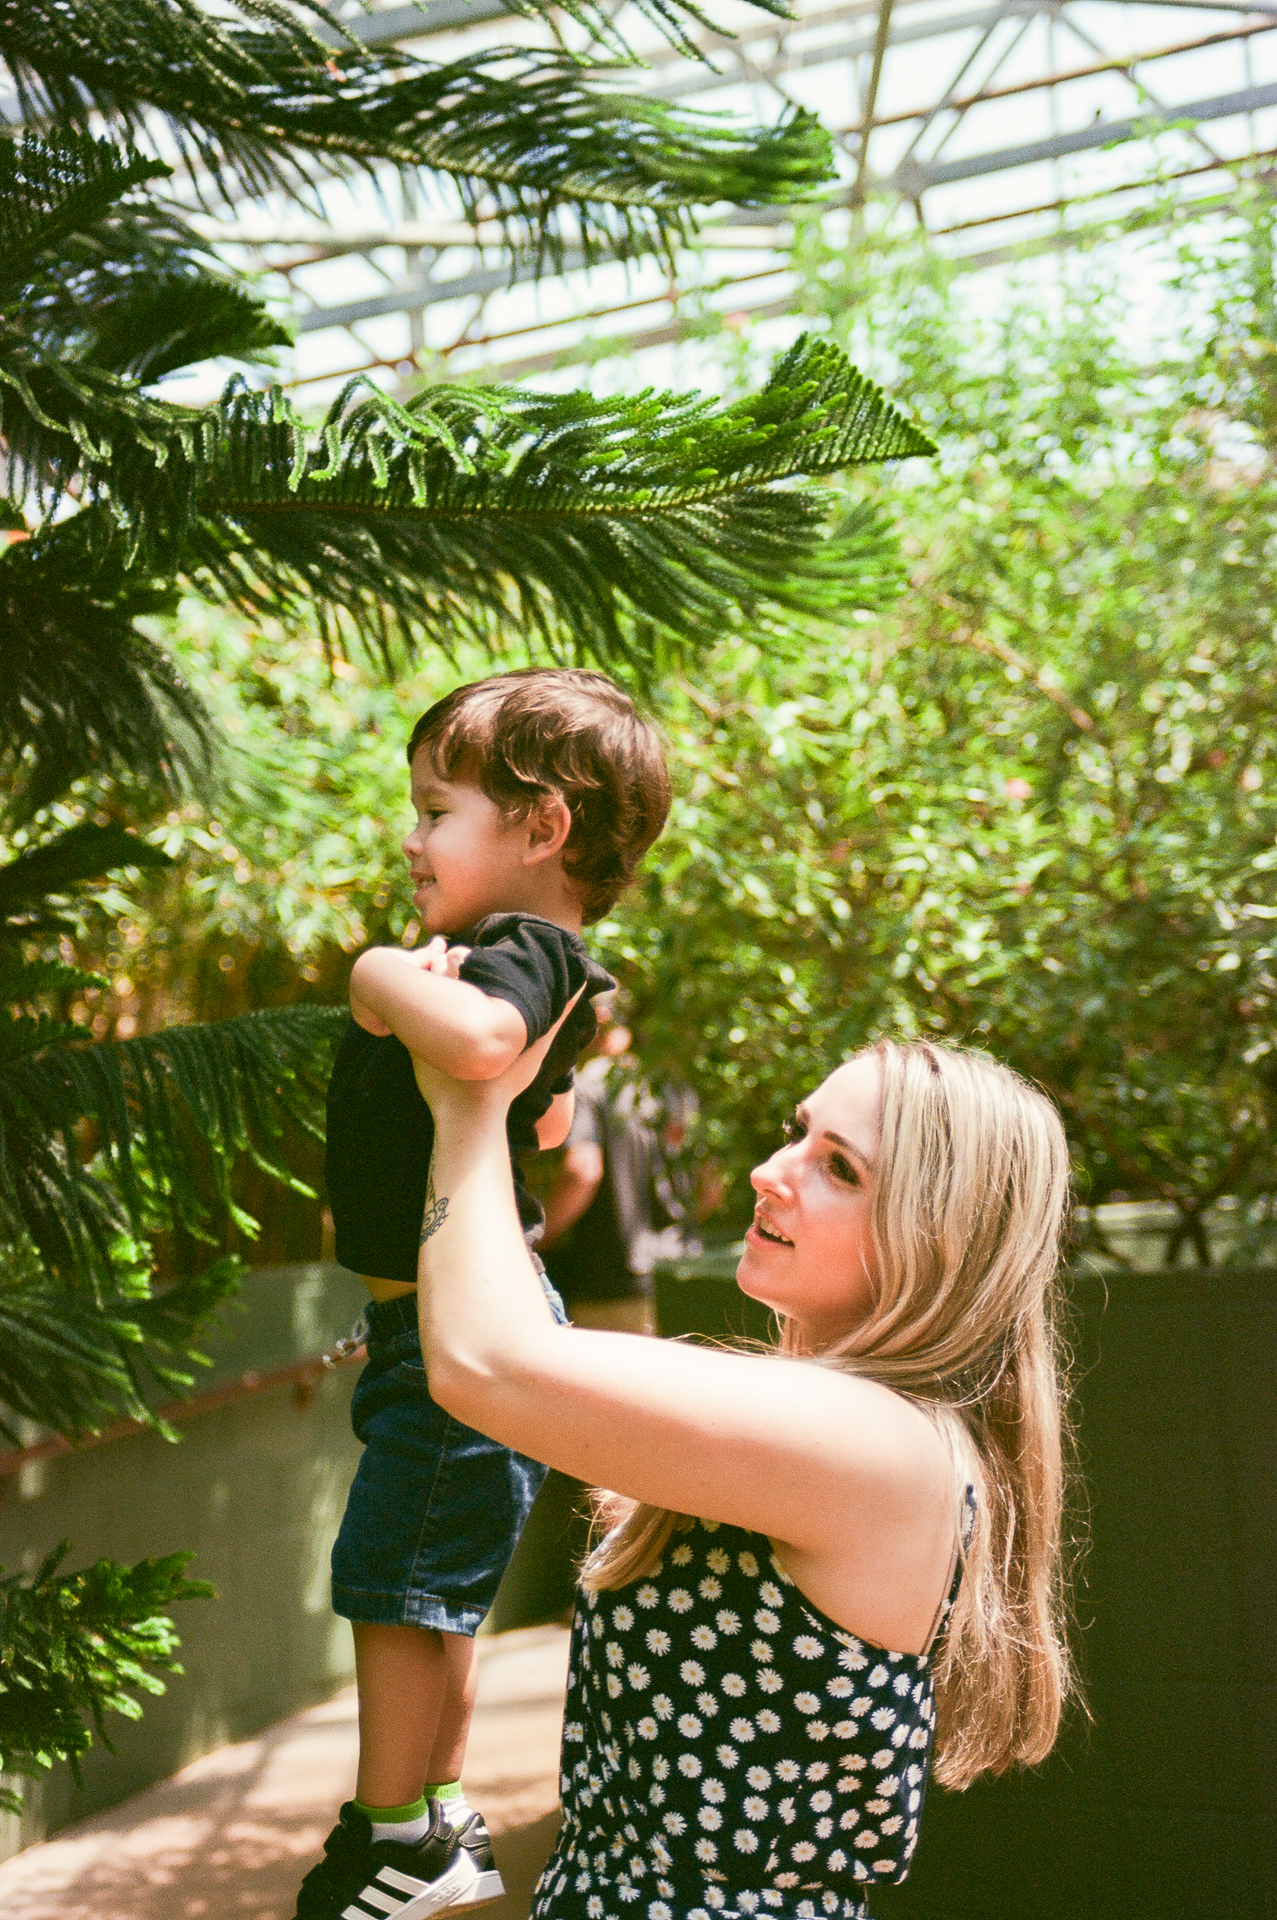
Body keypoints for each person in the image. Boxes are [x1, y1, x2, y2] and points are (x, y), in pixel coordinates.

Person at [375, 1022, 1075, 1920]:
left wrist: (468, 1095)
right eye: (798, 1132)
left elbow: (483, 1361)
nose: (770, 1171)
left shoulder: (870, 1442)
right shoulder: (838, 1421)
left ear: (935, 1241)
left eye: (840, 1168)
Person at [297, 670, 670, 1920]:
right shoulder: (526, 961)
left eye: (434, 809)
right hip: (436, 1326)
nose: (410, 838)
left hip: (454, 1332)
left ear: (541, 829)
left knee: (391, 1581)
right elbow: (549, 1116)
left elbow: (480, 1052)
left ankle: (391, 1832)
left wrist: (376, 979)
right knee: (426, 1584)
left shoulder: (522, 950)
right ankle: (434, 1813)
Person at [540, 1014, 700, 1335]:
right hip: (678, 1279)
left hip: (605, 1286)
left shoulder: (588, 1085)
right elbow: (707, 1186)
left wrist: (536, 1236)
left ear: (596, 1018)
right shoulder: (672, 1087)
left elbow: (582, 1172)